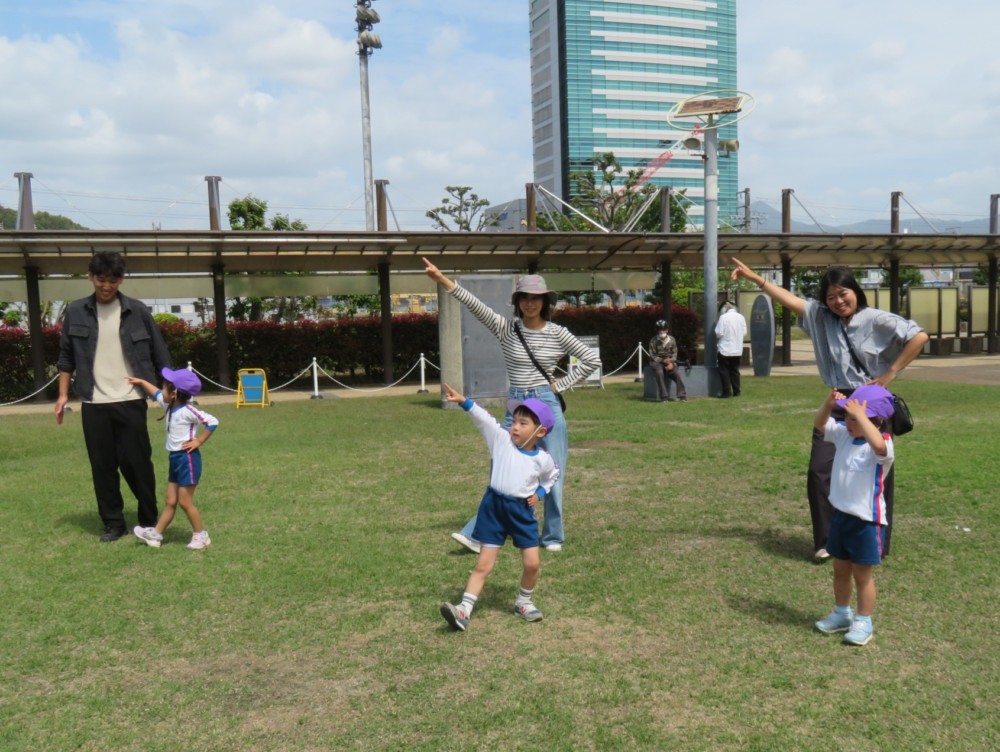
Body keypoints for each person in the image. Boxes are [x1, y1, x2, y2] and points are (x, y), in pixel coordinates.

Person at [729, 259, 927, 561]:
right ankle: (825, 542)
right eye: (831, 296)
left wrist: (890, 373)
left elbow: (919, 336)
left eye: (843, 293)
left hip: (871, 402)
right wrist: (756, 278)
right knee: (819, 469)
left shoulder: (875, 319)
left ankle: (876, 541)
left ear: (855, 292)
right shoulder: (820, 318)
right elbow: (790, 300)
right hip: (838, 400)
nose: (838, 301)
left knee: (876, 473)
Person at [423, 258, 600, 553]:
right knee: (501, 473)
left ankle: (553, 536)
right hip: (516, 407)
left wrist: (561, 385)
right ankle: (480, 534)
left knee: (553, 470)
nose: (530, 303)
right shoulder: (507, 329)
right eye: (524, 298)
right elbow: (475, 305)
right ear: (517, 302)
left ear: (545, 302)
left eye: (536, 298)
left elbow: (592, 360)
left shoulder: (557, 333)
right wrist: (443, 279)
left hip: (545, 404)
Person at [55, 251, 172, 542]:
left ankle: (149, 519)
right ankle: (113, 523)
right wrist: (62, 395)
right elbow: (66, 357)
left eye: (113, 280)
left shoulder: (137, 310)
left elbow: (160, 353)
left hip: (131, 399)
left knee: (138, 463)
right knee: (102, 466)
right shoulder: (76, 311)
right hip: (94, 402)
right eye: (101, 279)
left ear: (121, 280)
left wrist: (170, 391)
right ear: (90, 277)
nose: (107, 286)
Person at [439, 383, 558, 632]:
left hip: (521, 514)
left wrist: (539, 493)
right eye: (514, 421)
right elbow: (485, 420)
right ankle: (463, 610)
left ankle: (523, 603)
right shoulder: (501, 441)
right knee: (484, 564)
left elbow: (551, 477)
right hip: (494, 509)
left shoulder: (543, 459)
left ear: (540, 431)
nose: (515, 426)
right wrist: (464, 401)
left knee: (532, 564)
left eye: (523, 423)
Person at [812, 384, 895, 646]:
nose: (848, 423)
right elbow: (820, 424)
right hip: (840, 517)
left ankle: (863, 620)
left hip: (866, 523)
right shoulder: (844, 436)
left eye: (855, 419)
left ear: (876, 420)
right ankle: (841, 613)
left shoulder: (883, 444)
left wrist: (861, 416)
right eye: (846, 416)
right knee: (840, 569)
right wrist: (828, 404)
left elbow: (879, 446)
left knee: (862, 575)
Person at [128, 368, 219, 550]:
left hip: (188, 460)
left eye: (165, 387)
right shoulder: (169, 404)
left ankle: (201, 536)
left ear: (174, 393)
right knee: (170, 501)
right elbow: (156, 393)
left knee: (185, 502)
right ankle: (156, 534)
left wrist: (199, 441)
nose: (161, 390)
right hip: (175, 459)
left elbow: (212, 421)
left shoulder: (188, 410)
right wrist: (141, 382)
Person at [648, 319, 687, 402]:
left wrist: (671, 362)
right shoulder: (653, 340)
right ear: (657, 331)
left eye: (663, 330)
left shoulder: (672, 339)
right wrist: (662, 361)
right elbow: (652, 355)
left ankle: (682, 396)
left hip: (670, 361)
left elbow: (675, 352)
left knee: (677, 374)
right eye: (660, 330)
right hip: (657, 362)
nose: (662, 332)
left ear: (667, 330)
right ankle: (664, 397)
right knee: (659, 373)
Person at [715, 303, 747, 398]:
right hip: (737, 349)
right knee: (735, 371)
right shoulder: (741, 317)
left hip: (725, 348)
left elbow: (718, 332)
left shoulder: (723, 318)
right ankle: (737, 391)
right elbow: (744, 332)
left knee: (724, 371)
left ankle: (726, 392)